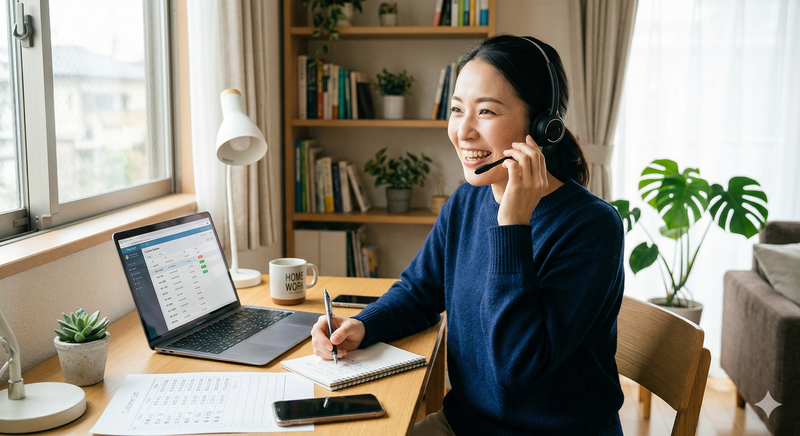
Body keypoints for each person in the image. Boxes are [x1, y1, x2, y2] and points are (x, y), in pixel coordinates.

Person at [310, 34, 625, 436]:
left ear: (543, 126)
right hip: (465, 423)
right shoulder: (467, 202)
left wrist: (513, 226)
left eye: (486, 112)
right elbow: (419, 292)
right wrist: (363, 326)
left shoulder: (591, 227)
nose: (463, 131)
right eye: (457, 110)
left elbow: (517, 366)